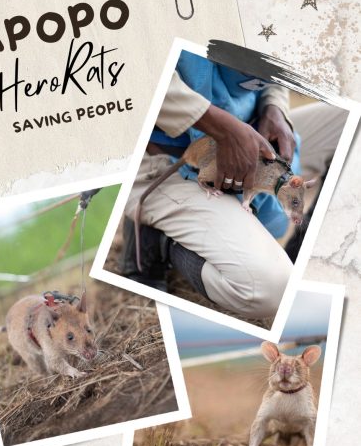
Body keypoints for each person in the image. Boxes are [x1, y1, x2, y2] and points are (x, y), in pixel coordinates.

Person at [120, 52, 347, 320]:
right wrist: (225, 130)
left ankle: (300, 261)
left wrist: (275, 109)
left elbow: (269, 66)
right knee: (272, 291)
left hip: (250, 130)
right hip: (170, 158)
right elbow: (138, 77)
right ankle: (162, 241)